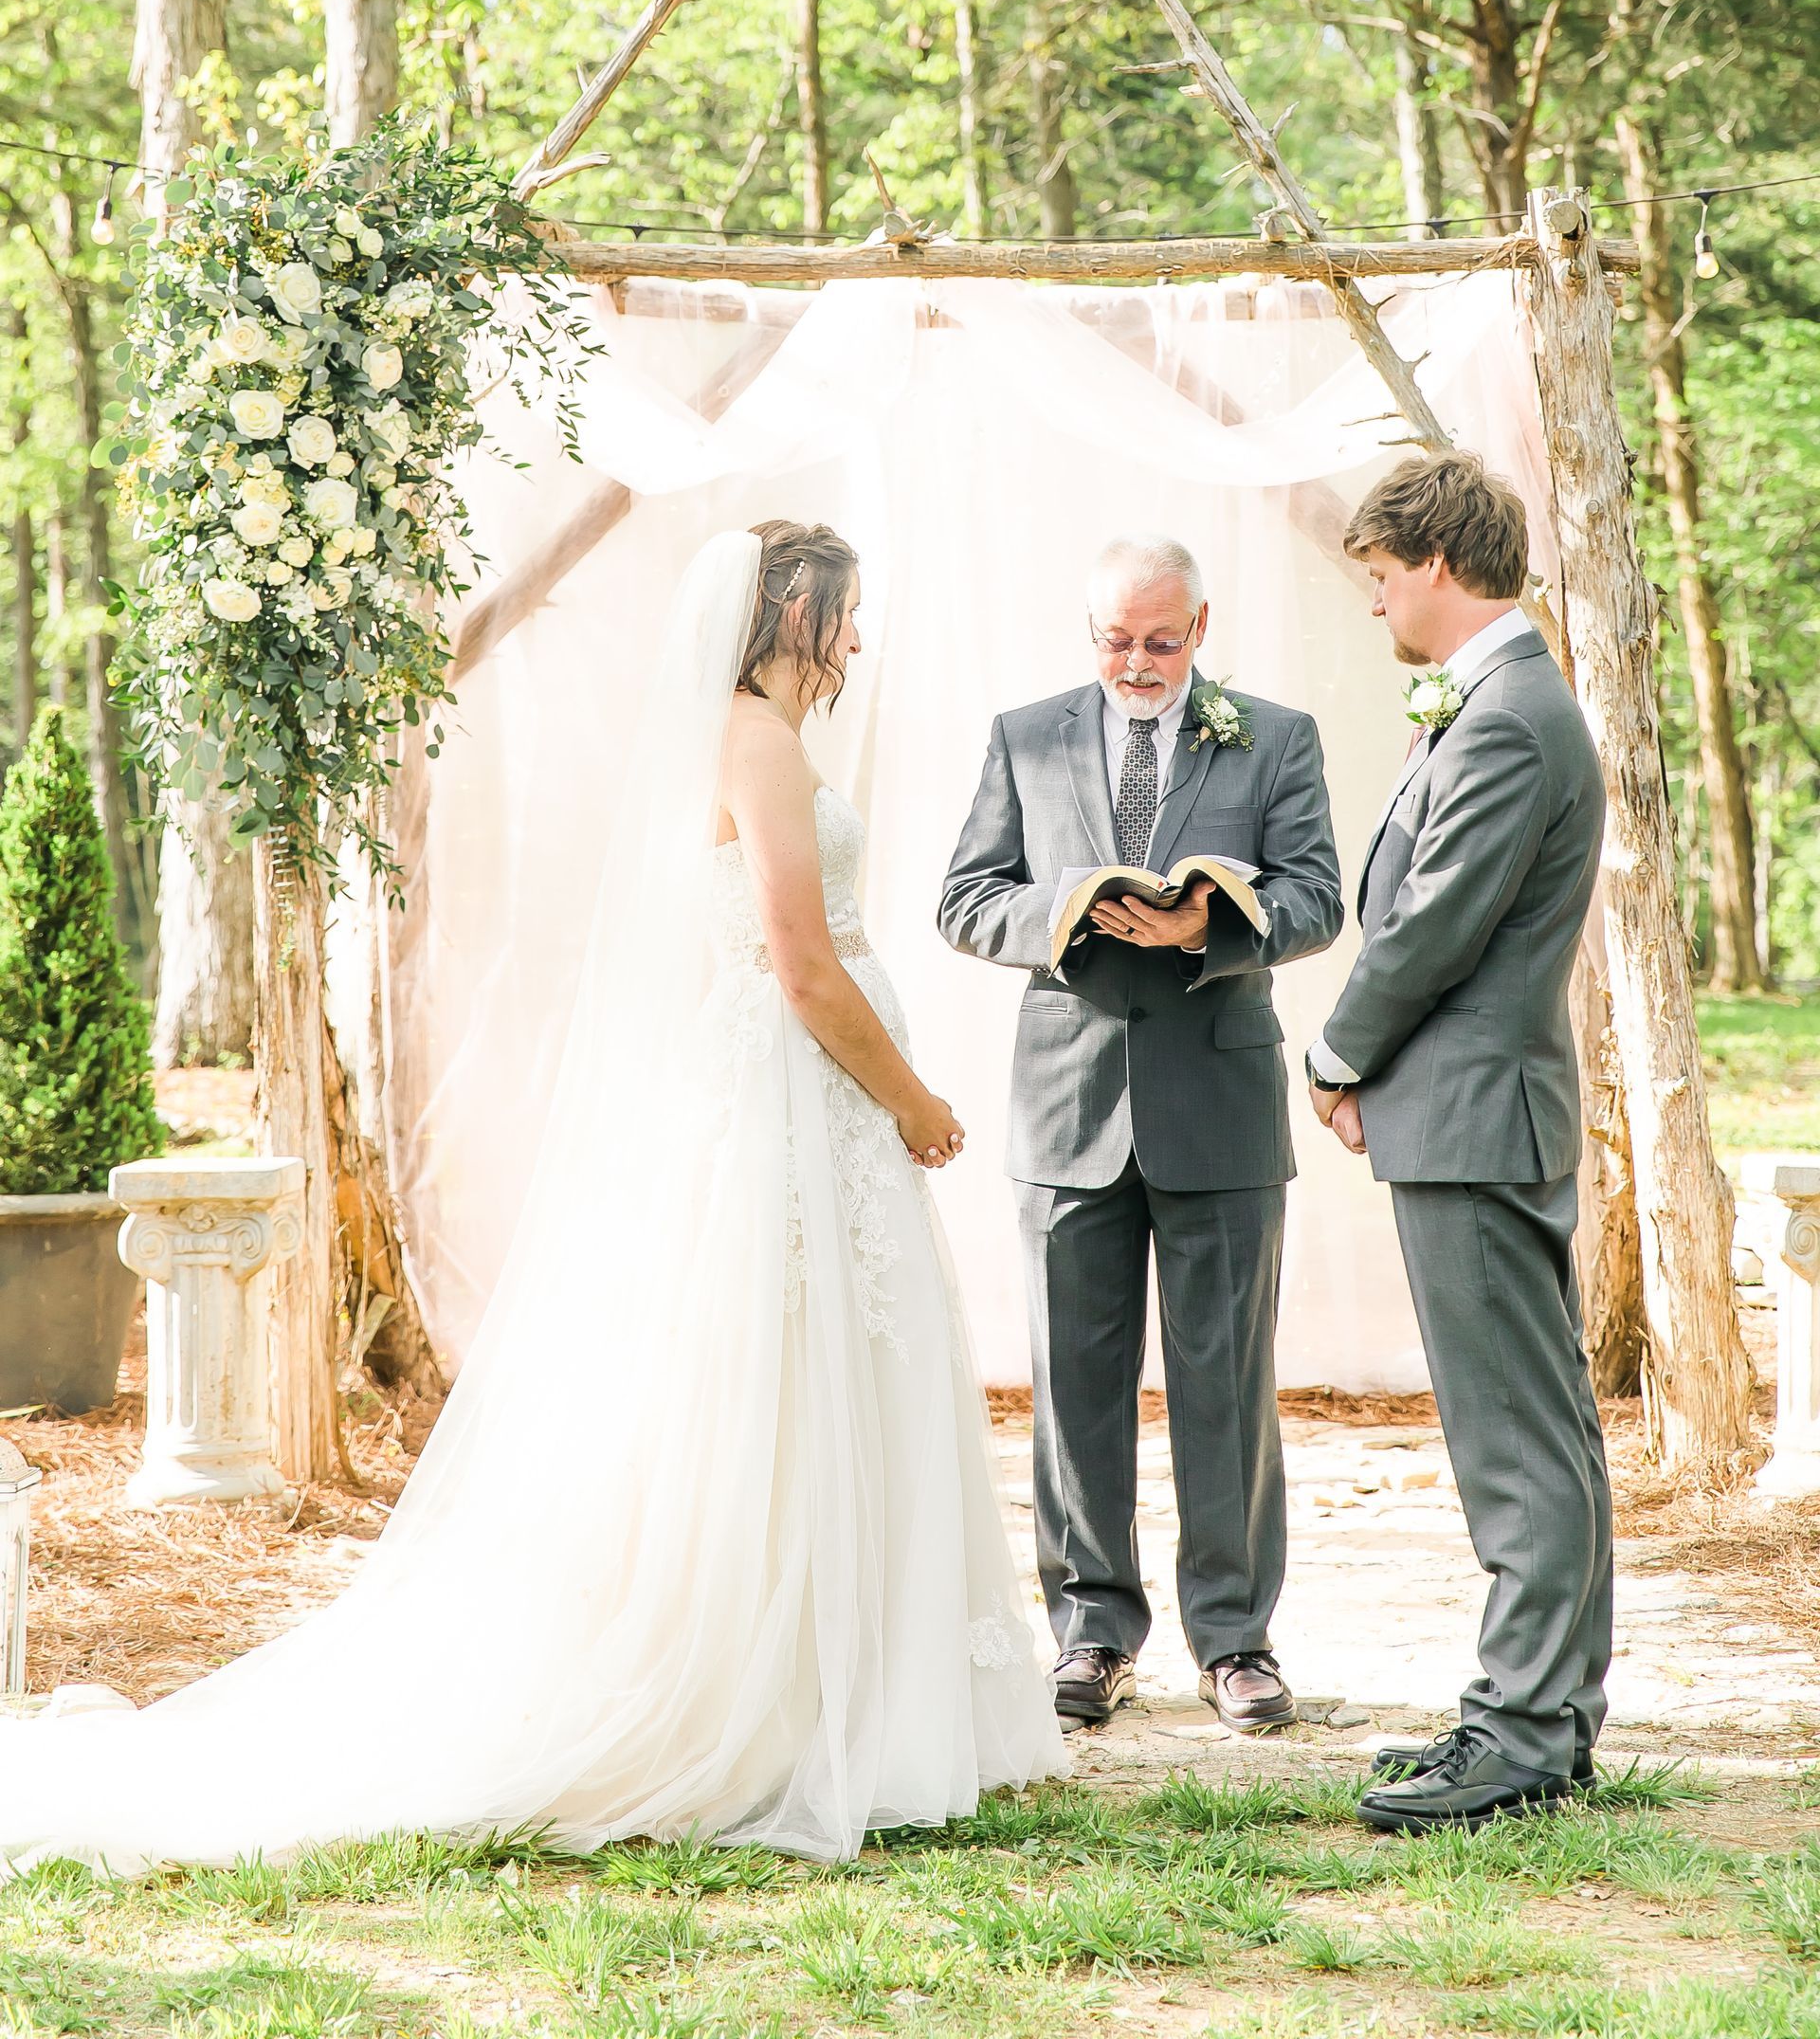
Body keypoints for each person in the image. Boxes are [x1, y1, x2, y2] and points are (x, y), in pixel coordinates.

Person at [0, 523, 1062, 1874]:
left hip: (802, 1110)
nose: (859, 637)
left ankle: (839, 1697)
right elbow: (799, 964)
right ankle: (789, 1704)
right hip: (805, 1100)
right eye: (845, 614)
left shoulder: (746, 738)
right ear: (796, 617)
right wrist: (912, 1098)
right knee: (789, 1384)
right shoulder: (757, 743)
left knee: (816, 1381)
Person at [939, 535, 1342, 1736]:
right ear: (1091, 634)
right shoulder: (1026, 735)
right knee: (1073, 1387)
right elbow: (966, 897)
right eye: (1116, 640)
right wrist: (1064, 914)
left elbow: (1319, 895)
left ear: (1201, 630)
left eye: (1161, 640)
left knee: (1228, 1388)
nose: (1137, 662)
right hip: (1067, 1109)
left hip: (1219, 1104)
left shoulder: (1275, 736)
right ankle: (1092, 1635)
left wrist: (1208, 927)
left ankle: (1235, 1643)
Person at [1305, 453, 1611, 1835]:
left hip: (1477, 1118)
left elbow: (1432, 923)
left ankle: (1522, 1736)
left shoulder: (1508, 719)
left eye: (1380, 576)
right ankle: (1544, 1717)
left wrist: (1337, 1051)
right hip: (1482, 1112)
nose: (1376, 604)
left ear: (1434, 563)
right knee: (1543, 1431)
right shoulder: (1505, 701)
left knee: (1516, 1445)